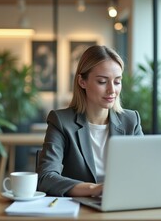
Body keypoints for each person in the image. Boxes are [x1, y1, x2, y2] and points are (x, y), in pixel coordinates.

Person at [37, 45, 144, 197]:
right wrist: (95, 189)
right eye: (102, 81)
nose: (112, 90)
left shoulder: (131, 121)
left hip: (123, 203)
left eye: (117, 82)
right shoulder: (61, 121)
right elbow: (46, 177)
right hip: (81, 207)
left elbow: (144, 171)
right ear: (82, 82)